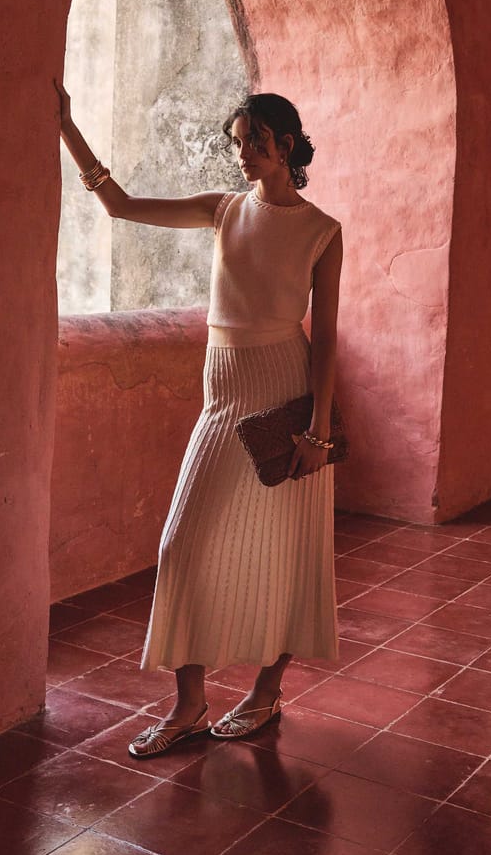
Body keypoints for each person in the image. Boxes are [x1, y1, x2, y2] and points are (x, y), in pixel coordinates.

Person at [56, 81, 342, 757]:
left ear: (287, 146)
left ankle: (267, 691)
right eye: (238, 142)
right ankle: (189, 704)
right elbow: (121, 205)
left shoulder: (322, 232)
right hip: (223, 393)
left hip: (284, 386)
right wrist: (67, 127)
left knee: (291, 547)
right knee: (181, 544)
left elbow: (326, 339)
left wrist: (319, 434)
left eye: (255, 142)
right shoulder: (223, 211)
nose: (242, 154)